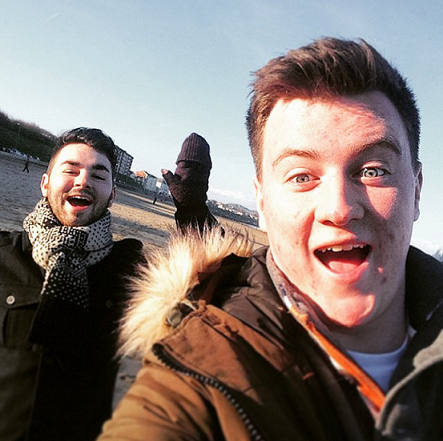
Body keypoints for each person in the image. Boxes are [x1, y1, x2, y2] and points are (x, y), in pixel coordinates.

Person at [99, 38, 443, 440]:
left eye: (373, 170)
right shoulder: (195, 376)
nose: (339, 208)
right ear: (262, 201)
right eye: (302, 176)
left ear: (417, 190)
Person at [0, 127, 213, 441]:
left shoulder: (131, 273)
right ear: (45, 183)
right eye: (71, 170)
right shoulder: (5, 253)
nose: (83, 180)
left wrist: (193, 208)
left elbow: (216, 296)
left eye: (99, 175)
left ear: (112, 194)